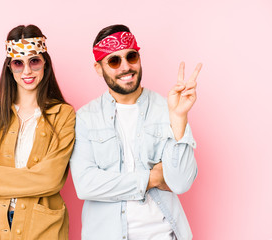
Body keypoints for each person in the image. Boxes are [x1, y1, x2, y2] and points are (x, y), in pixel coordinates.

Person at [70, 24, 202, 240]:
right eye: (114, 61)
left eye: (131, 57)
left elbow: (180, 183)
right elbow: (85, 185)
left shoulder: (168, 107)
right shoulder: (85, 118)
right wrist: (151, 178)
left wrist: (179, 118)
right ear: (98, 68)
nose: (125, 67)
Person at [0, 24, 75, 240]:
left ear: (45, 64)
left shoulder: (63, 115)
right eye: (18, 63)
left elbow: (50, 179)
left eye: (34, 61)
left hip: (41, 227)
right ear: (9, 67)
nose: (27, 71)